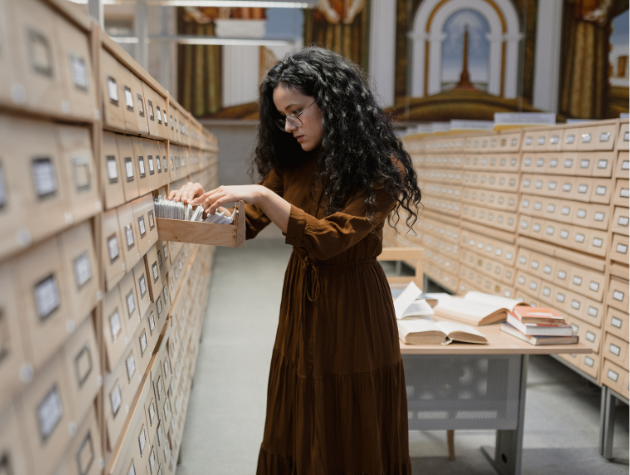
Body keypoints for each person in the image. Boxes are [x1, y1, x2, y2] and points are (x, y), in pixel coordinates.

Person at [169, 47, 422, 474]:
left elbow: (330, 240)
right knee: (300, 402)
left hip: (354, 305)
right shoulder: (292, 164)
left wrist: (264, 195)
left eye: (296, 112)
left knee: (348, 407)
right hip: (302, 302)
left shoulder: (383, 169)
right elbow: (243, 225)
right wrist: (195, 199)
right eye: (281, 116)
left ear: (332, 102)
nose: (288, 126)